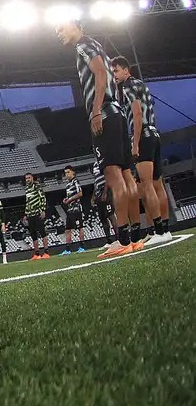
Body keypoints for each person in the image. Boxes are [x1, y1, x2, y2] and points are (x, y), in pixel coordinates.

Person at [55, 20, 140, 258]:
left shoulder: (83, 45)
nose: (59, 33)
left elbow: (101, 73)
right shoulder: (97, 46)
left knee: (114, 177)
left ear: (74, 25)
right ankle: (134, 235)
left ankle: (122, 238)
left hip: (105, 115)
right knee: (125, 175)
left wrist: (95, 110)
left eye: (61, 28)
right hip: (117, 114)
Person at [110, 56, 172, 244]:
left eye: (116, 71)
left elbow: (137, 114)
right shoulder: (141, 84)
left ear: (126, 70)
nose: (114, 76)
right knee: (157, 184)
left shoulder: (128, 86)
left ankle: (159, 231)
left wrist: (135, 143)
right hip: (154, 133)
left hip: (143, 135)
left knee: (146, 186)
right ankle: (164, 230)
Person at [60, 166, 86, 254]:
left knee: (80, 227)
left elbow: (80, 193)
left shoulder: (76, 181)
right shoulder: (67, 185)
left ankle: (82, 246)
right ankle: (67, 249)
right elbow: (69, 196)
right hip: (70, 209)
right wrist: (66, 199)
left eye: (68, 172)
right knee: (67, 229)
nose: (66, 174)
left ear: (73, 172)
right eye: (65, 173)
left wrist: (70, 199)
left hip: (76, 208)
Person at [23, 173, 50, 260]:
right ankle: (37, 254)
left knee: (42, 232)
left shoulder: (37, 186)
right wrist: (26, 214)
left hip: (37, 212)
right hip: (30, 214)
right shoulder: (27, 189)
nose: (27, 179)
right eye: (26, 178)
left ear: (32, 178)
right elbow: (28, 202)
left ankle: (46, 252)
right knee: (33, 234)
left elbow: (43, 197)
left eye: (29, 178)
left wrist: (42, 209)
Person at [91, 154, 115, 247]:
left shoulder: (103, 161)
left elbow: (107, 176)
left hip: (106, 192)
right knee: (103, 218)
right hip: (98, 194)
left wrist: (105, 192)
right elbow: (96, 181)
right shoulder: (95, 164)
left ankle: (118, 238)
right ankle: (109, 241)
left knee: (111, 215)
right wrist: (93, 196)